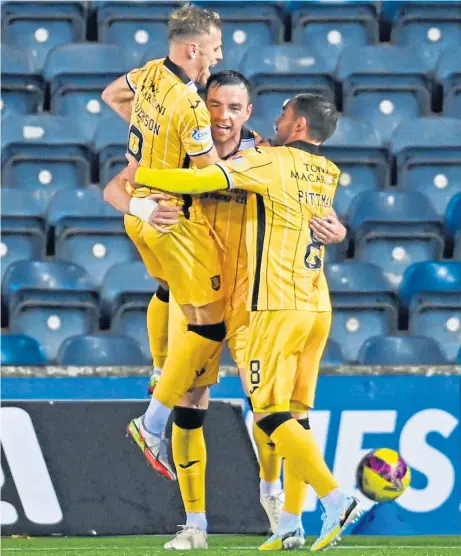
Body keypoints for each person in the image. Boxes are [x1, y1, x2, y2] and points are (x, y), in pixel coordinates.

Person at [122, 93, 361, 551]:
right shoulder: (326, 170)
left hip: (266, 303)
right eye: (214, 106)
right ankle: (273, 522)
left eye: (236, 108)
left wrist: (144, 178)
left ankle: (325, 500)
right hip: (301, 300)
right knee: (278, 412)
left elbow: (209, 177)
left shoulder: (266, 158)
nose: (223, 116)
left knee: (270, 413)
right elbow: (319, 215)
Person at [101, 3, 227, 482]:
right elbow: (209, 173)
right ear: (192, 48)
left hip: (139, 213)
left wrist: (147, 139)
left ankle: (159, 369)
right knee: (208, 325)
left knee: (166, 291)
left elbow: (111, 94)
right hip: (173, 221)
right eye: (214, 49)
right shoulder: (191, 104)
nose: (216, 58)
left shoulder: (150, 74)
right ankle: (152, 422)